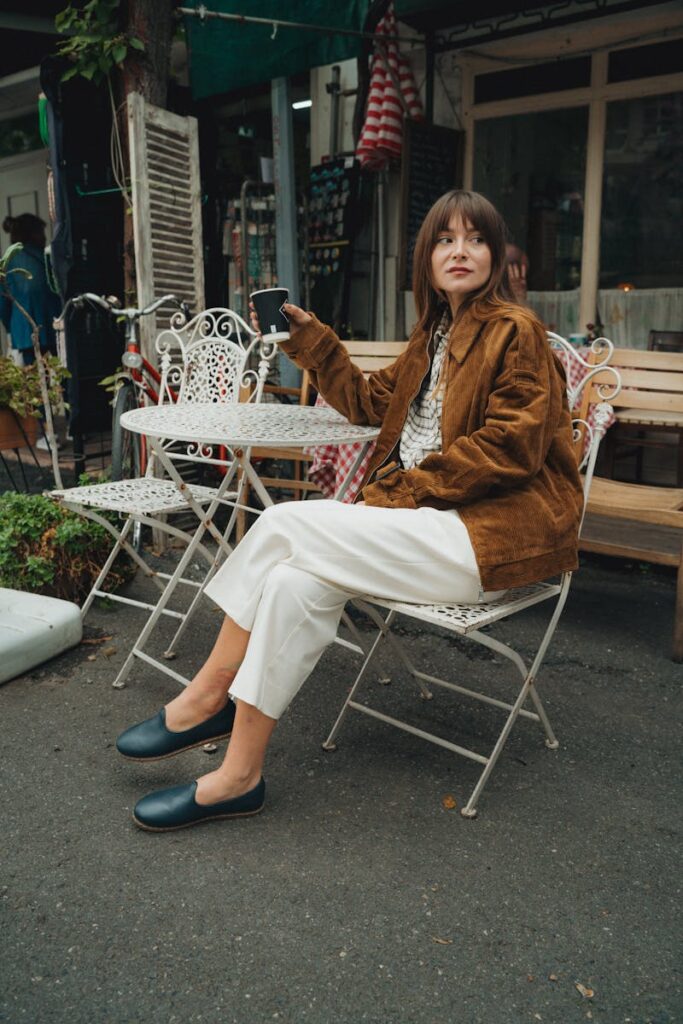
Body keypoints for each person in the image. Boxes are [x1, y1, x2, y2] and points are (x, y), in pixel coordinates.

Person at [116, 190, 584, 833]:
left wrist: (407, 489)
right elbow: (367, 402)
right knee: (290, 582)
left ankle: (206, 693)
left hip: (486, 536)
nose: (460, 251)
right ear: (425, 258)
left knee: (280, 521)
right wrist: (307, 339)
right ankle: (238, 776)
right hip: (421, 530)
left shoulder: (516, 330)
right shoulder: (432, 337)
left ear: (497, 257)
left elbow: (512, 446)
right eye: (445, 239)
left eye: (475, 239)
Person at [0, 214, 60, 366]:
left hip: (24, 331)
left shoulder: (8, 261)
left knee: (33, 378)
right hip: (51, 326)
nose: (45, 238)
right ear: (31, 234)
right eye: (41, 233)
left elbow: (3, 304)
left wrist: (12, 327)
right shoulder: (46, 257)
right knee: (59, 374)